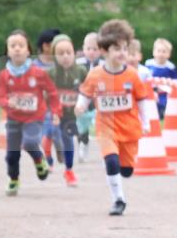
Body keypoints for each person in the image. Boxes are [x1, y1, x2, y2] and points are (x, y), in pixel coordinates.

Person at [75, 19, 153, 216]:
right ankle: (118, 200)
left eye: (125, 49)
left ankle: (124, 169)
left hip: (129, 128)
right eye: (117, 48)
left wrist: (146, 122)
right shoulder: (95, 75)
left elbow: (142, 99)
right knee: (111, 162)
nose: (122, 53)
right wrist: (81, 105)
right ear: (104, 51)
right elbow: (85, 93)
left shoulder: (133, 75)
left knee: (126, 170)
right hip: (106, 127)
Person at [0, 29, 60, 195]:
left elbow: (53, 93)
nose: (17, 48)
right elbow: (0, 98)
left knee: (30, 142)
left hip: (34, 117)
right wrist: (7, 102)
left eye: (21, 45)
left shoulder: (38, 73)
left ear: (28, 50)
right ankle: (14, 179)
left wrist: (55, 112)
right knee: (11, 155)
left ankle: (39, 160)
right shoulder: (4, 75)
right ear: (8, 51)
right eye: (13, 46)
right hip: (13, 119)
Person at [48, 35, 88, 187]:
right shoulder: (50, 74)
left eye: (68, 52)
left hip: (70, 115)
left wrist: (84, 104)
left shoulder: (81, 71)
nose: (65, 56)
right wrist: (53, 112)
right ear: (54, 56)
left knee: (68, 140)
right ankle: (48, 158)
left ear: (74, 53)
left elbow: (89, 90)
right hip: (53, 114)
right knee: (52, 134)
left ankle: (69, 170)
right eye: (60, 53)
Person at [33, 28, 61, 169]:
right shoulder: (34, 66)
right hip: (42, 108)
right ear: (46, 45)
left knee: (57, 134)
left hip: (60, 106)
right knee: (47, 132)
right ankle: (47, 158)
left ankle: (57, 153)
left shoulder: (61, 63)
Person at [75, 32, 102, 161]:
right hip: (83, 101)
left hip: (100, 101)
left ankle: (107, 151)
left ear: (101, 50)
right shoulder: (77, 64)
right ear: (83, 49)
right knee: (82, 126)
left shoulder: (104, 65)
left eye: (95, 49)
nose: (91, 52)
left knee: (102, 126)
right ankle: (83, 143)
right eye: (88, 49)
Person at [145, 38, 177, 119]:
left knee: (164, 107)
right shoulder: (149, 64)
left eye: (164, 52)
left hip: (165, 93)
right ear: (154, 52)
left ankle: (163, 113)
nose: (161, 54)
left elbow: (175, 80)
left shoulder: (170, 67)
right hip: (151, 91)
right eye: (159, 51)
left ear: (169, 54)